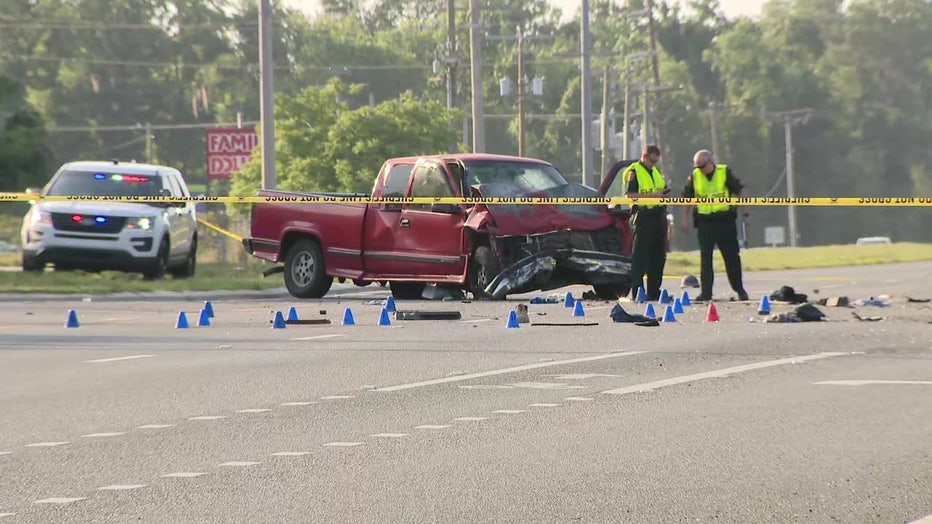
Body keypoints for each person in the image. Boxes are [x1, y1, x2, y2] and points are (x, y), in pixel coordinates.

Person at [681, 149, 749, 301]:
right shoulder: (695, 176)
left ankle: (739, 290)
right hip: (705, 223)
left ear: (711, 161)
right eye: (697, 167)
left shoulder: (724, 172)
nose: (700, 170)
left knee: (731, 257)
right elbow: (687, 199)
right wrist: (684, 219)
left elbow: (740, 192)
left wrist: (746, 214)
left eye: (703, 166)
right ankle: (706, 293)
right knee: (706, 259)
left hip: (725, 222)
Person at [625, 144, 670, 301]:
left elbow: (659, 191)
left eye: (656, 161)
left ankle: (654, 291)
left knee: (658, 257)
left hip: (658, 216)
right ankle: (638, 292)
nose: (654, 164)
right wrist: (653, 195)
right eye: (651, 160)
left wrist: (662, 196)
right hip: (643, 217)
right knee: (640, 257)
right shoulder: (634, 171)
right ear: (644, 156)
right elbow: (630, 195)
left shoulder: (655, 172)